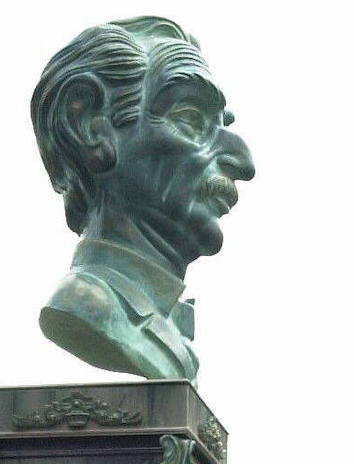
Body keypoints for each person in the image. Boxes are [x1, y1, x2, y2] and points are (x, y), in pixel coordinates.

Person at [31, 16, 255, 383]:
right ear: (89, 126)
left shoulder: (173, 338)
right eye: (191, 118)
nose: (244, 164)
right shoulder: (89, 306)